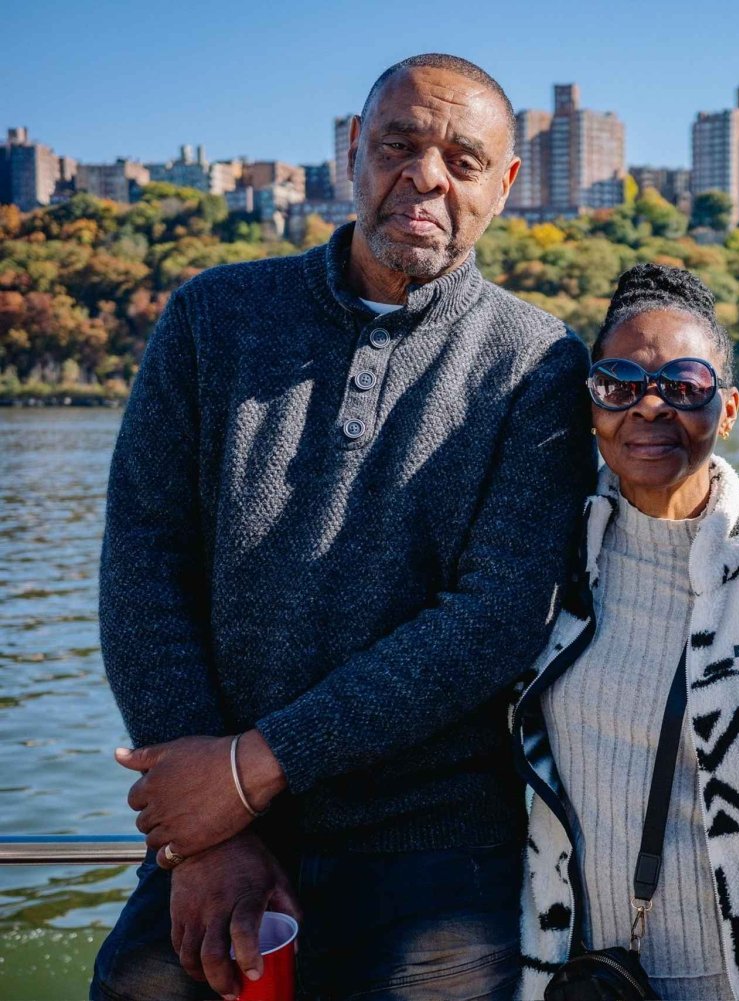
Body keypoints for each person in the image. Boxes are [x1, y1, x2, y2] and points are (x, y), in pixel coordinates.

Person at [91, 53, 594, 1001]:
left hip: (434, 847)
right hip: (218, 838)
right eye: (400, 144)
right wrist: (213, 830)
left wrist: (254, 767)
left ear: (506, 186)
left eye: (463, 157)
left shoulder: (538, 363)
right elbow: (143, 567)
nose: (427, 176)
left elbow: (493, 618)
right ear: (352, 150)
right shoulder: (211, 318)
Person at [512, 263, 739, 1000]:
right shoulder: (548, 563)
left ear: (728, 409)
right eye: (619, 384)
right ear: (590, 405)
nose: (649, 406)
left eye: (684, 385)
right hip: (580, 976)